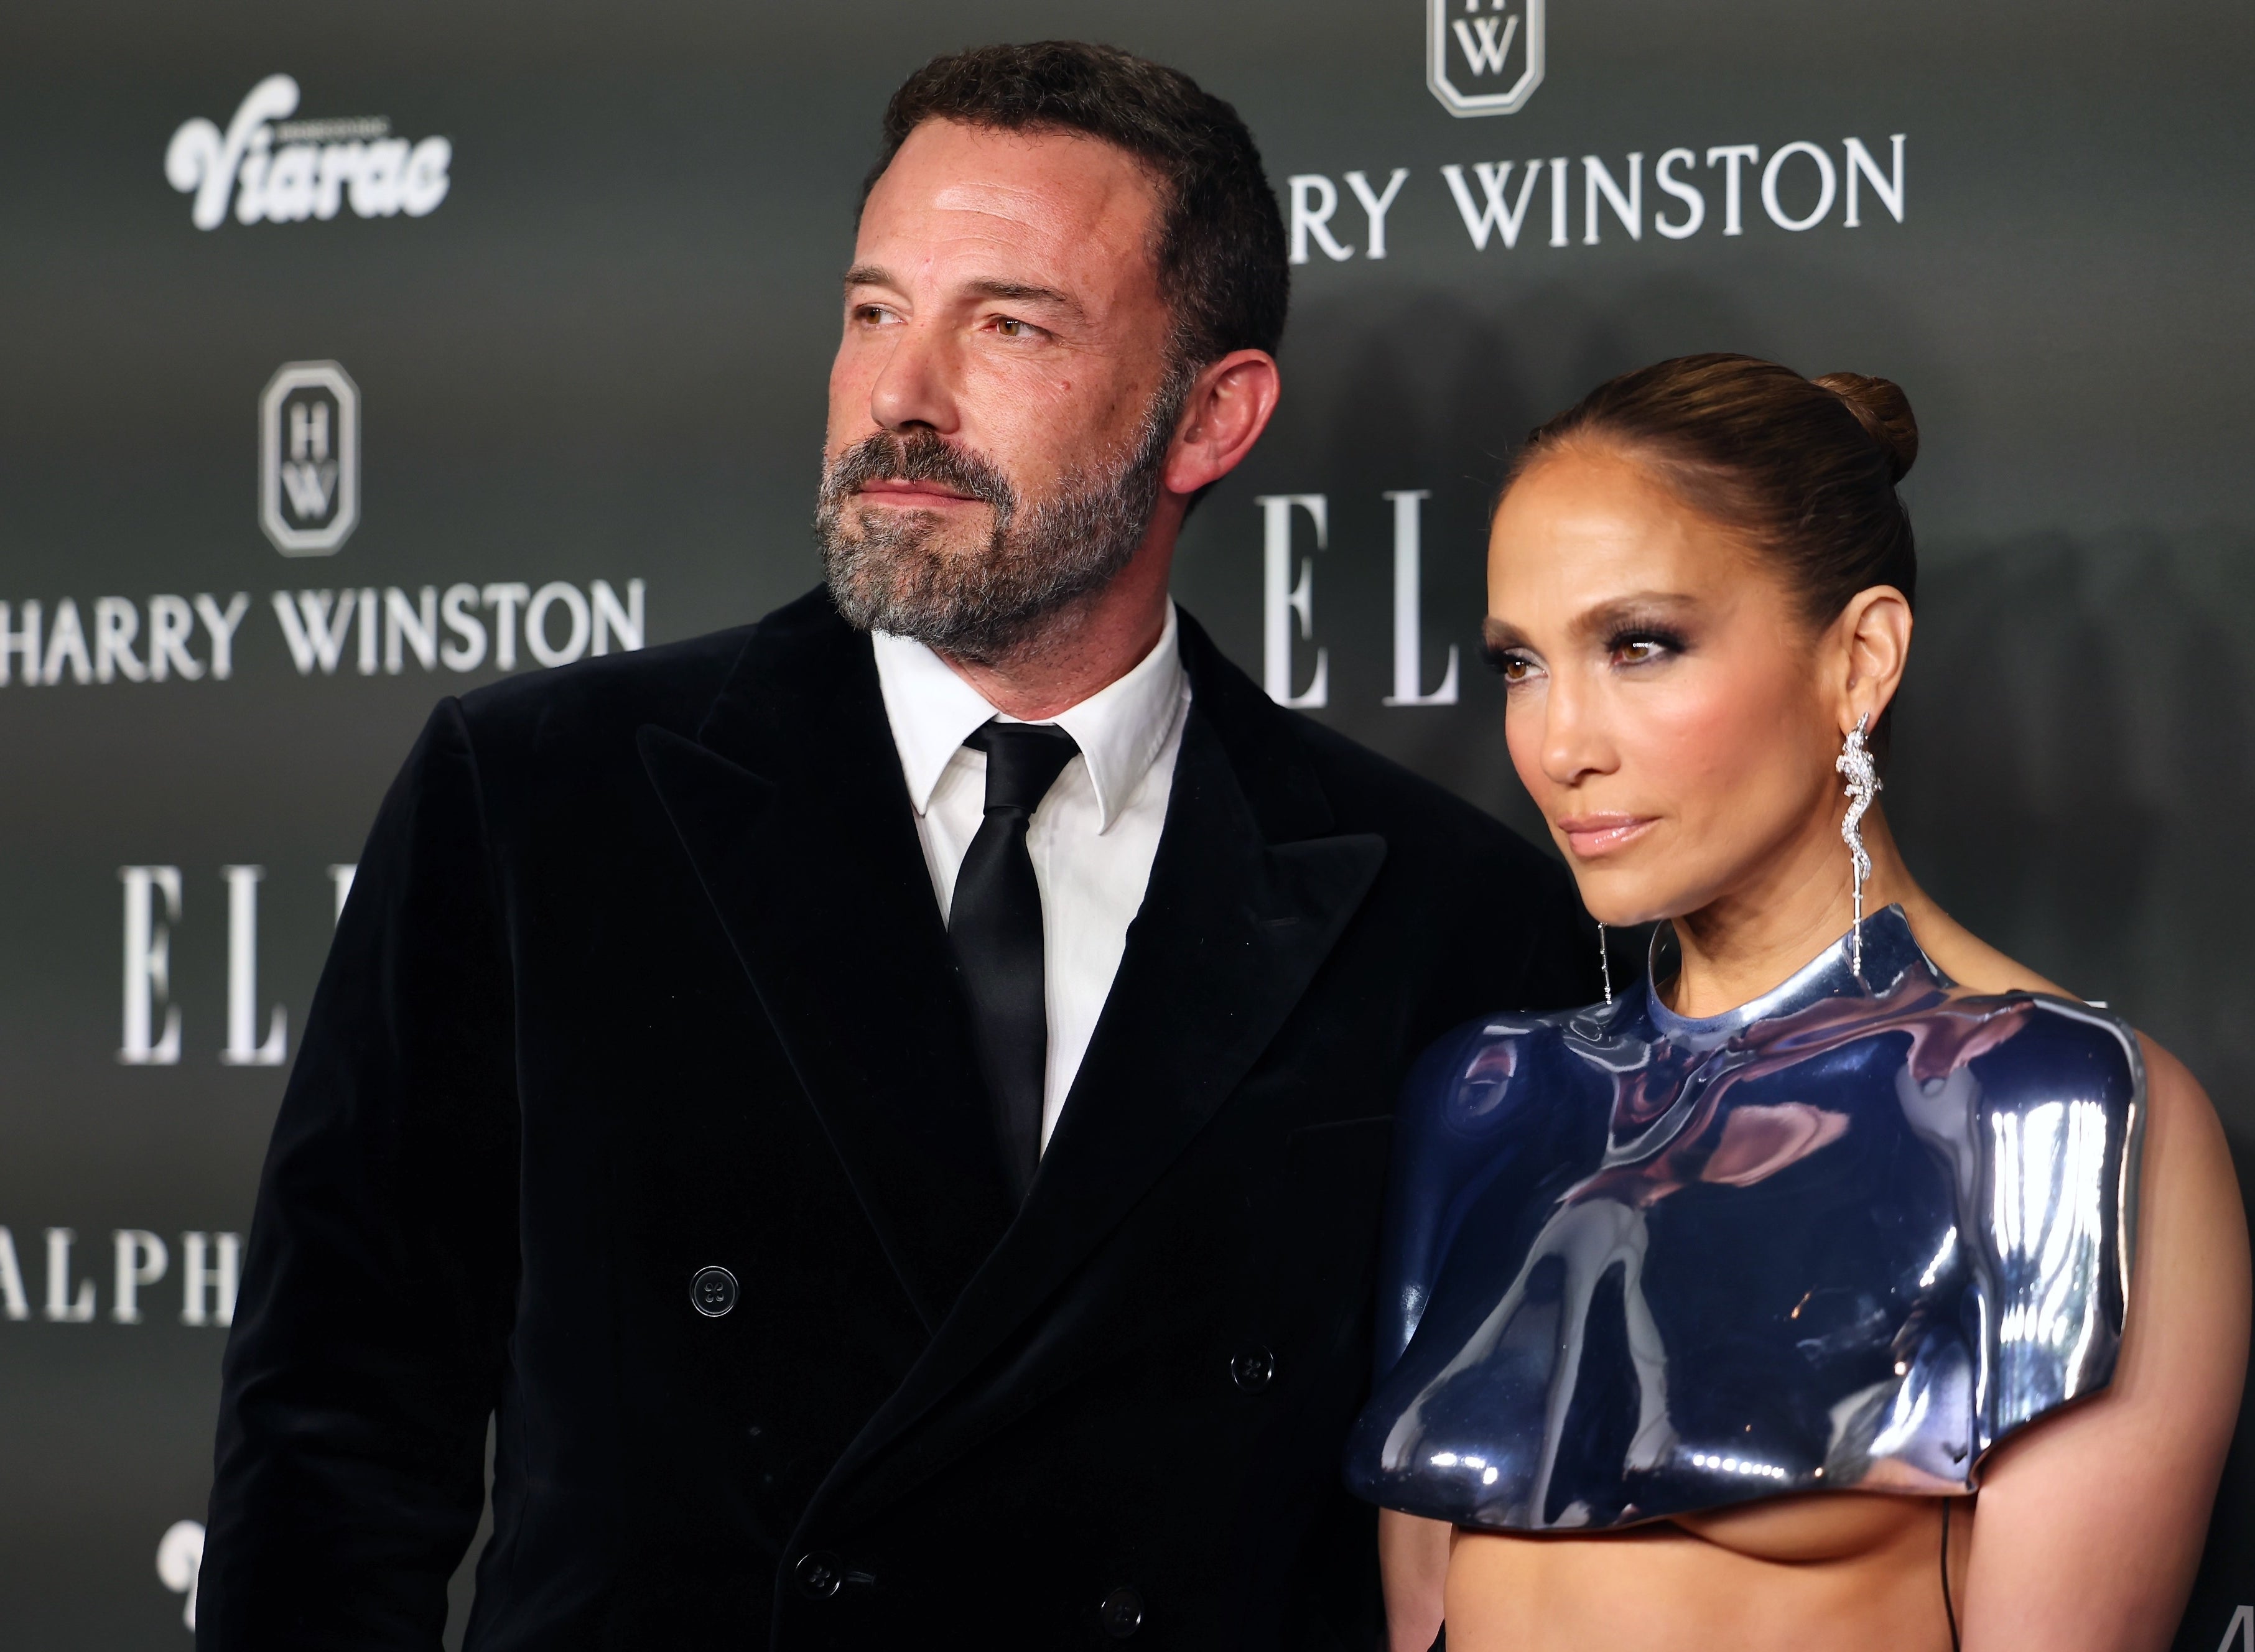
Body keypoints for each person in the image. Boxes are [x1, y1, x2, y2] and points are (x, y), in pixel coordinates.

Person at [195, 42, 1594, 1651]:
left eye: (1006, 324)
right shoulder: (540, 804)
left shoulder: (1442, 912)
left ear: (1210, 419)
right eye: (874, 311)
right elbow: (334, 1448)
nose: (900, 399)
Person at [1346, 355, 2251, 1652]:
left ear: (1860, 657)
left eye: (1637, 645)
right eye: (1519, 664)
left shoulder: (2054, 1109)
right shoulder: (1485, 1095)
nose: (1558, 743)